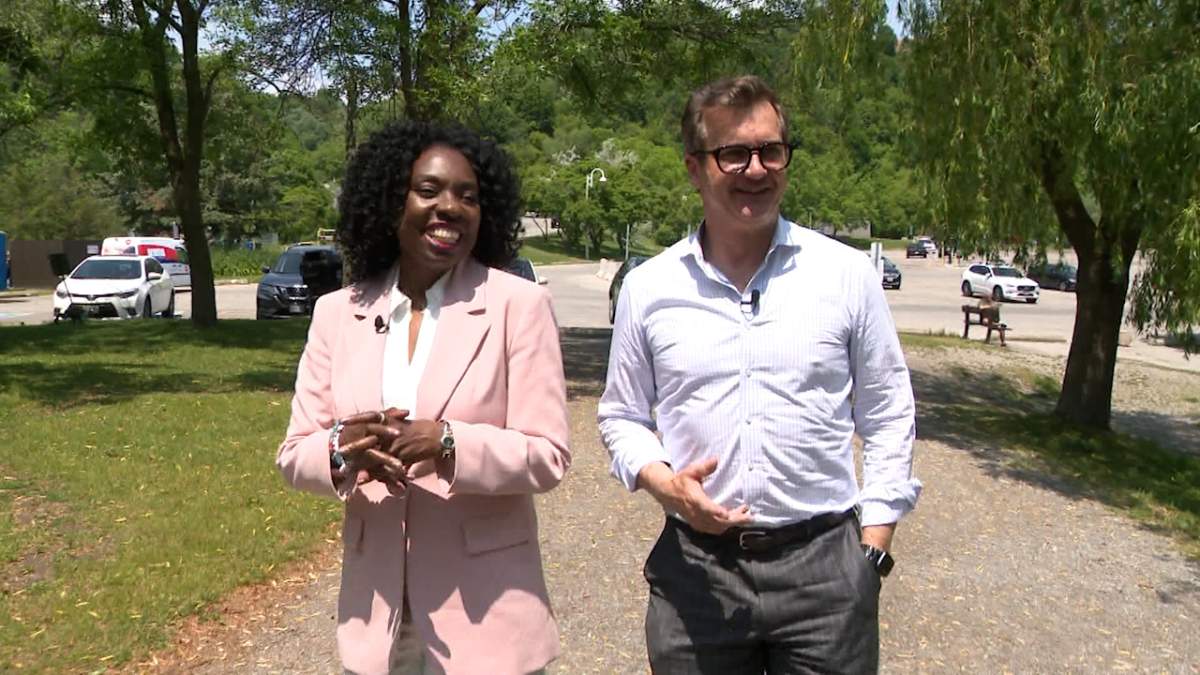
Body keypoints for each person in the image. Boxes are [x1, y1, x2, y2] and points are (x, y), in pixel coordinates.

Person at [598, 75, 921, 673]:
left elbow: (888, 411)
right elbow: (621, 415)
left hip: (825, 571)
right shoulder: (650, 289)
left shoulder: (846, 276)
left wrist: (872, 549)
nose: (756, 169)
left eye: (772, 150)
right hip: (696, 570)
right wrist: (664, 483)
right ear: (695, 168)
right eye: (734, 154)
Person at [277, 120, 570, 675]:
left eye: (468, 196)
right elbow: (295, 452)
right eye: (429, 191)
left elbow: (548, 455)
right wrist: (342, 450)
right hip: (378, 617)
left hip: (489, 617)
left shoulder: (518, 306)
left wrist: (449, 442)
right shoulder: (338, 313)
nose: (450, 208)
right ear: (392, 201)